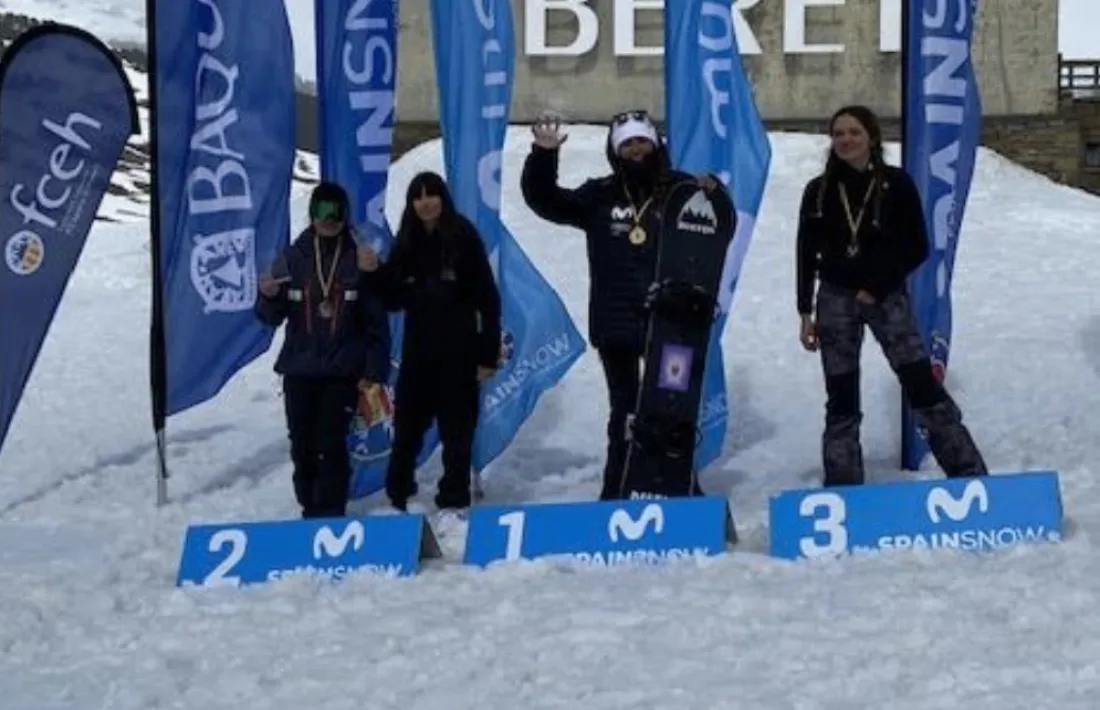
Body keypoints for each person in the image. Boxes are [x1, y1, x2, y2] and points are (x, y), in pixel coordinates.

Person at [519, 109, 735, 500]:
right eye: (628, 143)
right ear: (616, 151)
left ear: (656, 144)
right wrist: (543, 156)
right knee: (625, 412)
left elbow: (715, 232)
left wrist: (715, 195)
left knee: (674, 408)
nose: (637, 149)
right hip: (617, 324)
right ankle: (616, 490)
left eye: (642, 141)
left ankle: (681, 486)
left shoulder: (683, 190)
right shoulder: (599, 195)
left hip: (674, 326)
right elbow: (546, 201)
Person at [795, 104, 988, 487]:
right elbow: (805, 252)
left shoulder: (896, 184)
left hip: (886, 298)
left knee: (920, 383)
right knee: (841, 396)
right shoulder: (818, 191)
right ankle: (844, 484)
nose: (846, 140)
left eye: (854, 132)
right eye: (838, 134)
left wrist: (877, 286)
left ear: (872, 138)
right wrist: (804, 311)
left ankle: (968, 474)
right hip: (834, 301)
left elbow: (917, 244)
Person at [359, 171, 502, 512]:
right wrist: (374, 271)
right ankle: (397, 495)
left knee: (457, 435)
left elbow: (488, 300)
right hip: (417, 355)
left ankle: (454, 500)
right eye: (417, 196)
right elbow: (392, 297)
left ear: (443, 198)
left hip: (460, 354)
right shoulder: (406, 241)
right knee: (406, 430)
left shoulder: (464, 236)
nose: (425, 203)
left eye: (431, 195)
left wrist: (487, 355)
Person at [255, 181, 392, 518]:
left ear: (345, 215)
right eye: (320, 210)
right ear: (311, 213)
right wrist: (269, 296)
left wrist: (374, 372)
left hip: (342, 370)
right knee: (301, 444)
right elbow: (271, 318)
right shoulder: (292, 257)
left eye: (335, 211)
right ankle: (308, 508)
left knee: (331, 444)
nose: (327, 219)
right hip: (299, 369)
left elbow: (378, 317)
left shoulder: (360, 257)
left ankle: (330, 512)